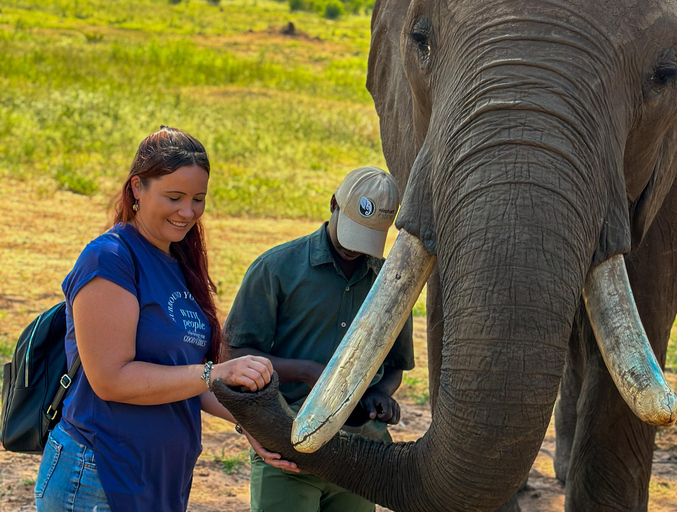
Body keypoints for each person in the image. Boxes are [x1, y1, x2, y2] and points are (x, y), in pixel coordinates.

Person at [35, 127, 279, 512]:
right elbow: (110, 379)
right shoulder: (109, 260)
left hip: (160, 479)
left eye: (198, 199)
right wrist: (214, 373)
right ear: (137, 188)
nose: (188, 212)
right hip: (100, 476)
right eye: (174, 197)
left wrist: (251, 424)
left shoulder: (179, 264)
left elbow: (182, 377)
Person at [224, 166, 414, 512]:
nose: (356, 250)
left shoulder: (390, 285)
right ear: (333, 205)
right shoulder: (276, 269)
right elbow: (235, 355)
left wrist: (379, 393)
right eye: (352, 232)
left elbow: (395, 366)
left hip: (360, 457)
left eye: (368, 238)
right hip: (287, 447)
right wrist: (310, 372)